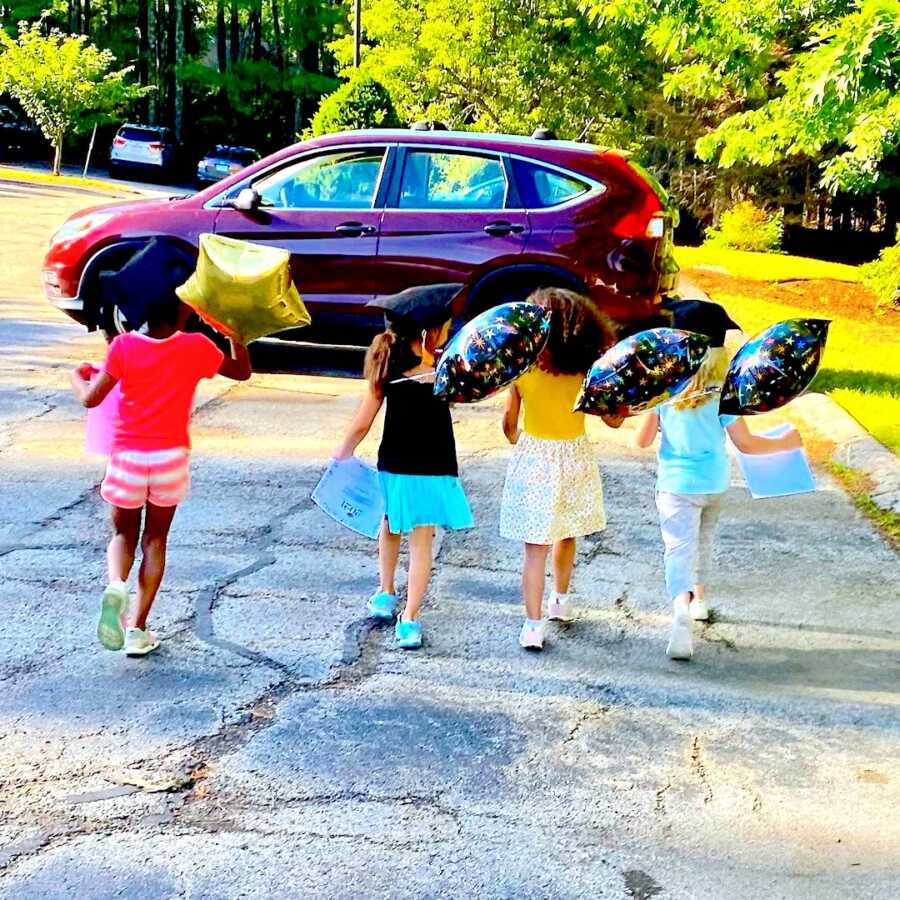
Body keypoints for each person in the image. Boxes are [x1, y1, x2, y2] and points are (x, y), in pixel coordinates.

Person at [71, 242, 251, 657]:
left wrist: (75, 377)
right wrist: (233, 332)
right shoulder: (197, 348)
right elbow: (241, 371)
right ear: (186, 308)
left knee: (122, 533)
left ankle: (115, 586)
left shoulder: (124, 348)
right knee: (155, 540)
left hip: (128, 458)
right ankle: (137, 628)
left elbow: (90, 399)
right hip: (170, 459)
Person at [634, 299, 802, 660]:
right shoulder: (724, 394)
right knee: (703, 541)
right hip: (714, 483)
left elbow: (642, 440)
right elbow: (747, 444)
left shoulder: (667, 389)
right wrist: (786, 440)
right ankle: (700, 601)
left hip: (676, 485)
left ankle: (681, 606)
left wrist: (650, 409)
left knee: (679, 548)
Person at [334, 284, 473, 650]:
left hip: (392, 464)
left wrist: (343, 453)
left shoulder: (389, 370)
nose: (449, 334)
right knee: (422, 543)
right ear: (428, 334)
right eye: (445, 329)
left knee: (390, 524)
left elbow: (363, 422)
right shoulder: (444, 370)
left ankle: (385, 592)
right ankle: (409, 618)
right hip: (431, 468)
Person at [500, 287, 621, 651]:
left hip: (535, 454)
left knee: (534, 547)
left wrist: (522, 437)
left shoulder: (523, 370)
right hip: (575, 455)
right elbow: (613, 422)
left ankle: (533, 625)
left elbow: (508, 427)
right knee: (567, 532)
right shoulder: (588, 373)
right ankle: (561, 600)